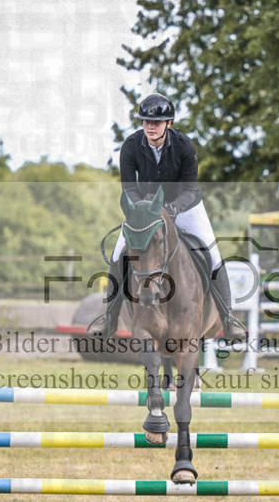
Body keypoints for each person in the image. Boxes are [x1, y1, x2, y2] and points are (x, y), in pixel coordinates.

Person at [91, 93, 247, 342]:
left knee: (213, 254)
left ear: (169, 123)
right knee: (118, 253)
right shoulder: (131, 147)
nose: (150, 127)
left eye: (157, 122)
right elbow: (129, 189)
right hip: (147, 212)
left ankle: (228, 319)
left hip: (186, 208)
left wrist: (172, 210)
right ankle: (108, 318)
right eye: (146, 122)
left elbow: (191, 189)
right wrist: (142, 210)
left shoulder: (184, 146)